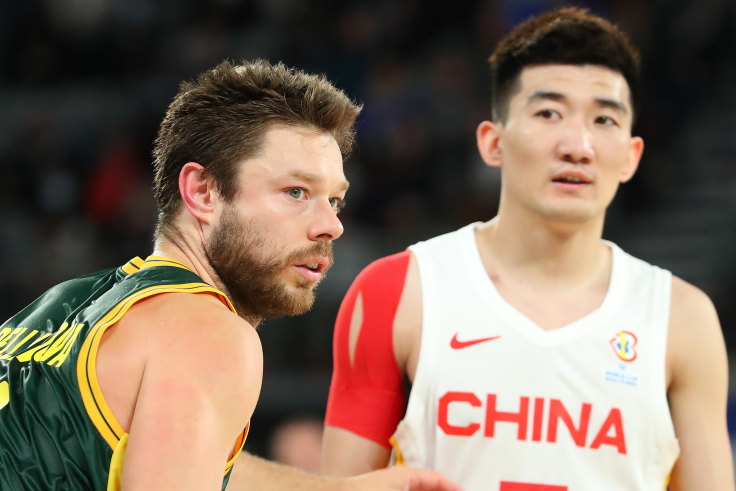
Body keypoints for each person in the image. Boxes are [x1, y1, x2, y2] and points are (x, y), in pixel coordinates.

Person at [321, 7, 734, 491]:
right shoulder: (401, 290)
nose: (577, 145)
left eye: (604, 119)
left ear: (631, 156)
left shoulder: (683, 318)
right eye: (548, 113)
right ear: (492, 142)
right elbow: (339, 487)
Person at [0, 59, 461, 491]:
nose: (332, 225)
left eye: (334, 200)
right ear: (203, 192)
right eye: (296, 191)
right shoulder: (209, 334)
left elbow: (178, 452)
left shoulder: (62, 305)